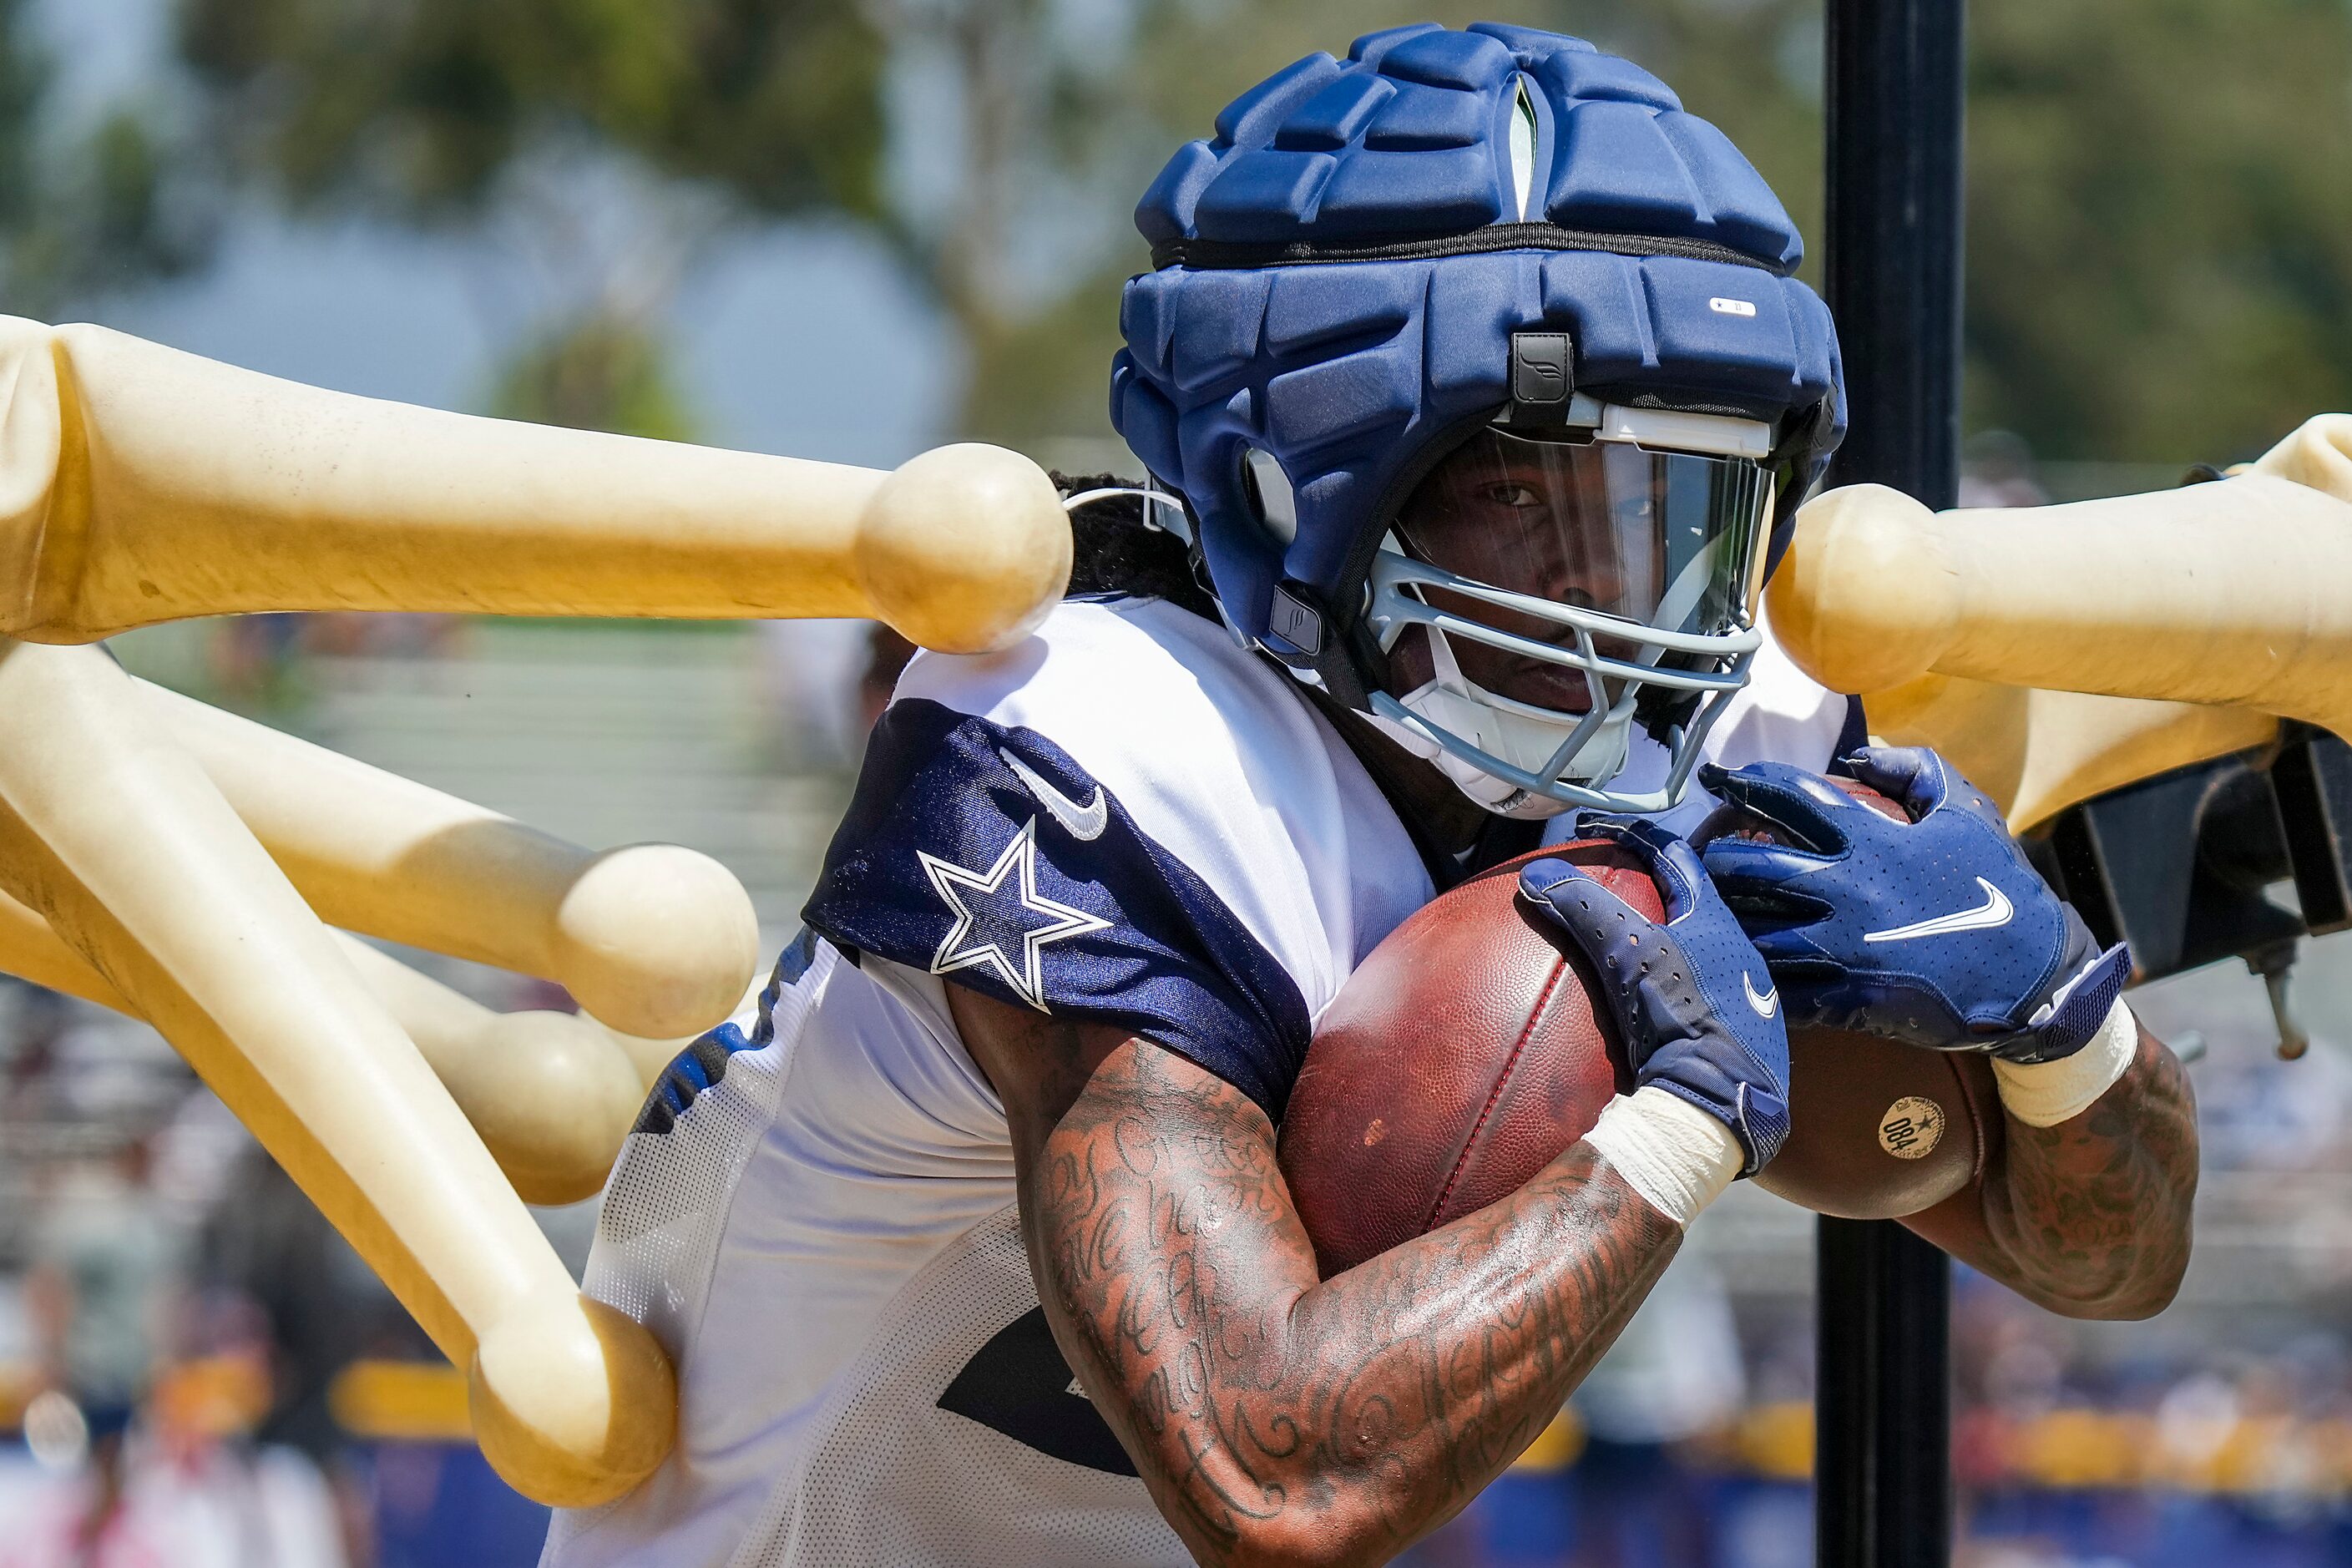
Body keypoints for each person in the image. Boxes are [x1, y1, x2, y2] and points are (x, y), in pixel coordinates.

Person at [543, 25, 2195, 1568]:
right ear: (1292, 475)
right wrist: (1681, 1126)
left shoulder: (1724, 722)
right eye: (1524, 486)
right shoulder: (1113, 734)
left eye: (1672, 498)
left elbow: (2106, 1258)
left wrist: (2063, 1028)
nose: (1616, 586)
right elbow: (1274, 1476)